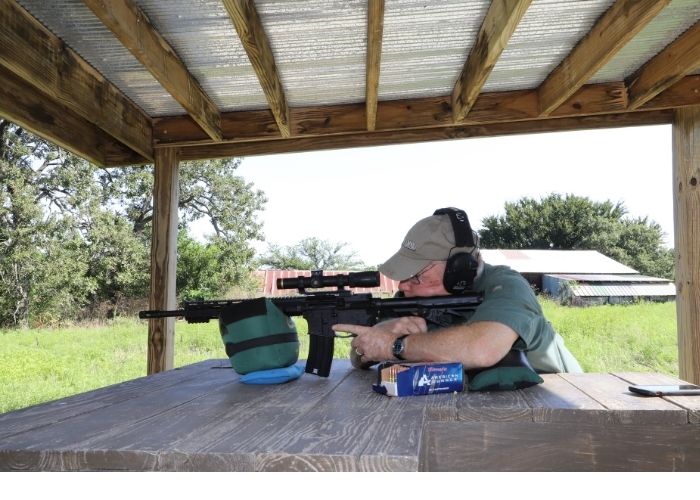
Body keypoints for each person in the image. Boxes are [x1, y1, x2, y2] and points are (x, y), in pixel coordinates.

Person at [332, 208, 582, 373]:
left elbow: (481, 349)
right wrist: (371, 343)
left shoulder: (506, 286)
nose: (403, 285)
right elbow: (359, 355)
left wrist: (396, 346)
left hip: (564, 409)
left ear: (459, 269)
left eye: (416, 275)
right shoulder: (411, 299)